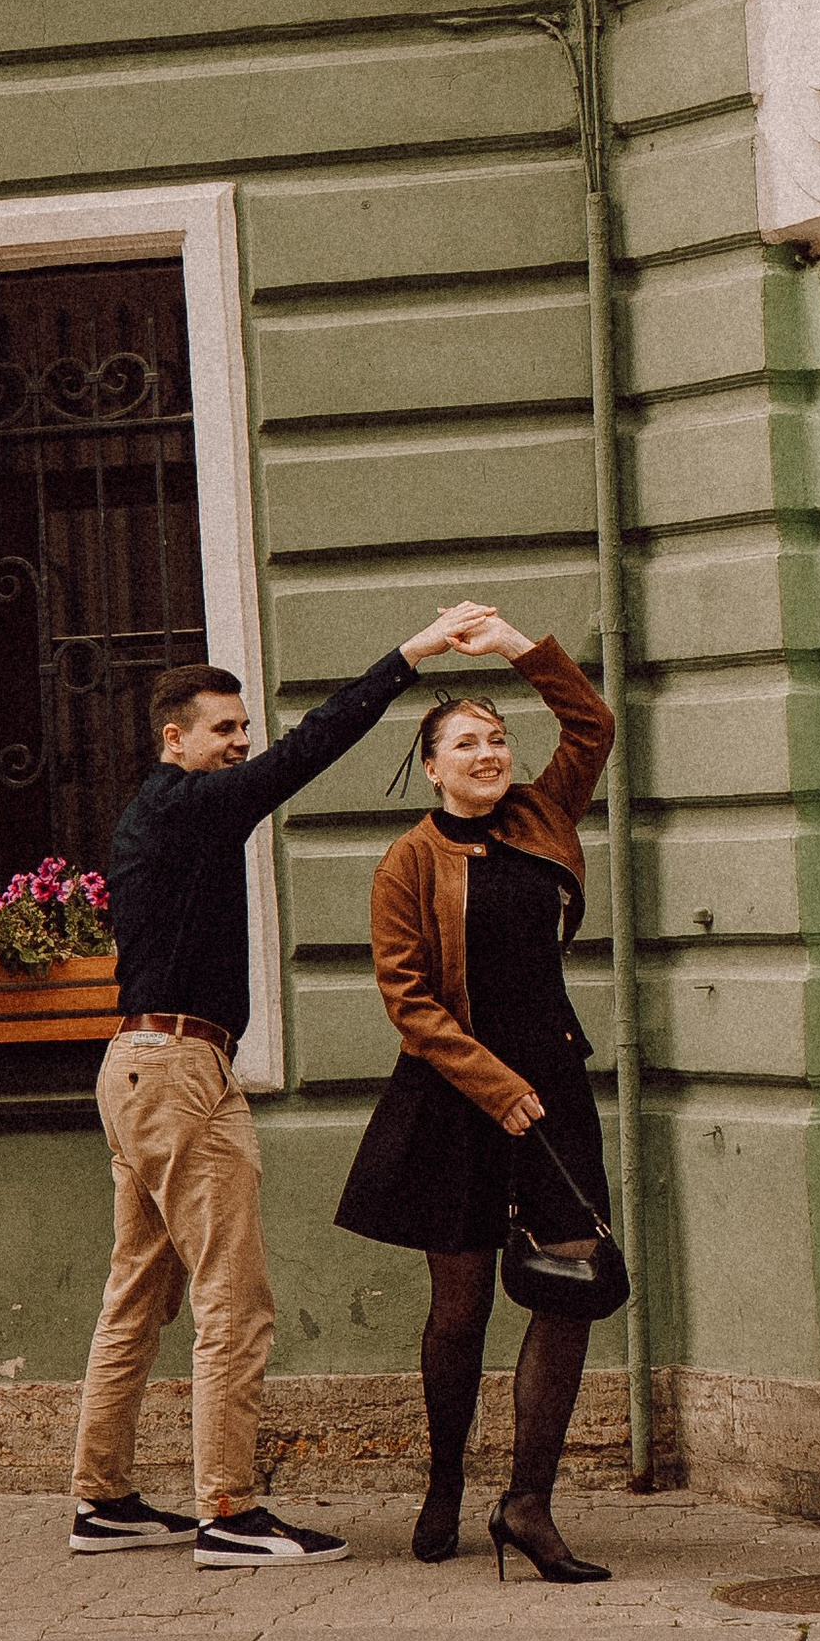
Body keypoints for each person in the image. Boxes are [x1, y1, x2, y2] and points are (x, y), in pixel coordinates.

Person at [70, 599, 500, 1570]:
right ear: (175, 739)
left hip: (143, 1067)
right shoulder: (186, 804)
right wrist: (410, 656)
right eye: (223, 731)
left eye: (242, 730)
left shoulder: (163, 813)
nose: (240, 745)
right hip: (179, 1074)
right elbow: (306, 753)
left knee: (137, 1293)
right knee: (235, 1301)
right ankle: (228, 1511)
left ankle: (102, 1501)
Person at [335, 615, 618, 1582]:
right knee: (459, 1308)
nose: (491, 752)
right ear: (432, 768)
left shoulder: (544, 813)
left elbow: (593, 726)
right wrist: (495, 1089)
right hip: (456, 1094)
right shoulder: (407, 863)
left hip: (555, 1083)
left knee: (568, 1285)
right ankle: (447, 1478)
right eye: (469, 743)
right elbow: (409, 1002)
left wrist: (515, 649)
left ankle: (529, 1503)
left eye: (498, 738)